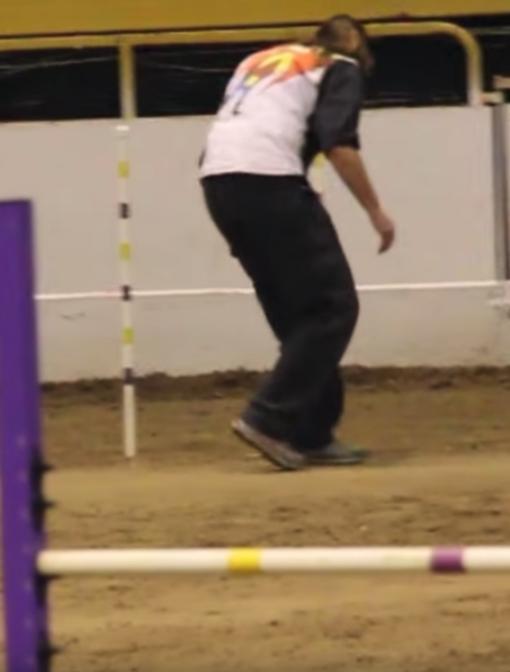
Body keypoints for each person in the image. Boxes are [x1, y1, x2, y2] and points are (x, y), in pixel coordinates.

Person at [197, 14, 396, 471]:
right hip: (269, 182)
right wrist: (375, 211)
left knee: (298, 317)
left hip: (218, 185)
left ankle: (312, 433)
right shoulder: (338, 65)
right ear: (356, 48)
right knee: (333, 307)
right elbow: (338, 143)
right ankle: (267, 419)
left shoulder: (258, 59)